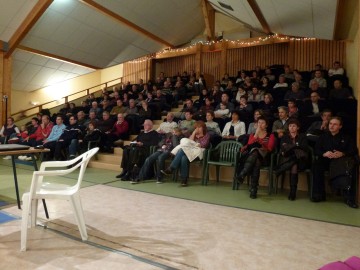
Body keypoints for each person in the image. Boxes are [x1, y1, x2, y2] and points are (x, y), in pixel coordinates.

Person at [311, 117, 358, 208]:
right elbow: (316, 150)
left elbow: (353, 150)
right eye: (330, 124)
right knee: (317, 165)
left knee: (350, 169)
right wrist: (324, 153)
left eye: (335, 124)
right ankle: (319, 195)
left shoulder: (346, 137)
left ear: (340, 126)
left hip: (340, 160)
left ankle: (349, 198)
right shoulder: (323, 136)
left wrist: (343, 153)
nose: (331, 126)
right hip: (326, 159)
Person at [234, 116, 276, 199]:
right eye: (259, 123)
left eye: (262, 123)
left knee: (256, 152)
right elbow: (249, 145)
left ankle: (242, 174)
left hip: (265, 158)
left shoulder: (271, 135)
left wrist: (260, 142)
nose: (260, 125)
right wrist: (256, 135)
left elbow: (270, 149)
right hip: (252, 157)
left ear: (266, 125)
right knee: (256, 160)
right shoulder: (253, 134)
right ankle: (253, 189)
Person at [161, 121, 210, 186]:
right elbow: (189, 142)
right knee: (184, 157)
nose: (198, 129)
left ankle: (171, 169)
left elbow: (204, 145)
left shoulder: (206, 135)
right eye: (196, 127)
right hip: (189, 152)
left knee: (181, 150)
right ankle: (184, 180)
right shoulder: (194, 134)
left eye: (199, 127)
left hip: (198, 153)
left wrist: (195, 144)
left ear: (203, 128)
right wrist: (194, 133)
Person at [274, 119, 308, 200]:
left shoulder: (302, 136)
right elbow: (282, 149)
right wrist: (295, 147)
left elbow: (304, 148)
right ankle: (293, 191)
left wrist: (290, 147)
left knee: (295, 161)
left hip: (301, 161)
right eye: (290, 126)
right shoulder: (285, 137)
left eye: (294, 126)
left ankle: (281, 169)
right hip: (287, 159)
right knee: (294, 164)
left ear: (298, 128)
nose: (291, 128)